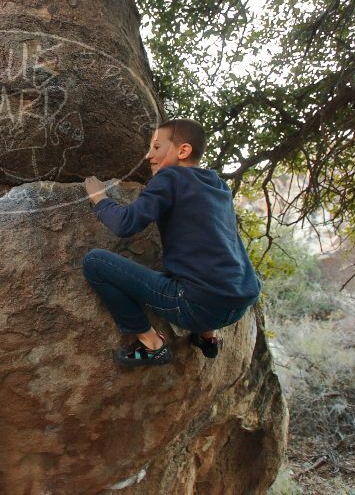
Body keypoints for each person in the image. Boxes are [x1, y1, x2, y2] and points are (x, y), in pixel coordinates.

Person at [81, 118, 262, 368]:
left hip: (198, 305)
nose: (148, 155)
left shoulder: (170, 177)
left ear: (183, 150)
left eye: (156, 147)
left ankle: (151, 344)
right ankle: (207, 338)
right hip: (239, 303)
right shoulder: (217, 184)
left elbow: (126, 224)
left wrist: (100, 199)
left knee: (94, 262)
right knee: (198, 258)